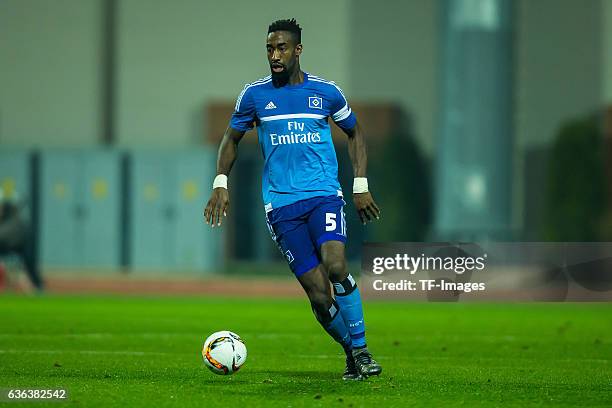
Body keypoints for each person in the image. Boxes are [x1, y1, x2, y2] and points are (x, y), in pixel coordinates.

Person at [204, 18, 382, 380]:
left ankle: (362, 349)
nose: (274, 55)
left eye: (281, 47)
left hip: (322, 196)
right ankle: (351, 353)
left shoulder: (326, 93)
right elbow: (231, 138)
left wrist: (360, 185)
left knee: (335, 265)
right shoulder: (254, 96)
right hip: (282, 207)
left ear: (297, 50)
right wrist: (221, 181)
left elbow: (355, 131)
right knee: (318, 294)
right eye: (270, 48)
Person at [0, 187, 43, 291]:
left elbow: (5, 237)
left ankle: (35, 289)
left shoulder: (14, 222)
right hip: (8, 253)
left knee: (20, 272)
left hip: (14, 252)